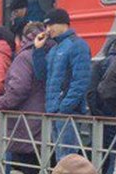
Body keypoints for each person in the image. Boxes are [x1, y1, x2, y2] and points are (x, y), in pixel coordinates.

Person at [0, 22, 46, 174]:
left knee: (30, 165)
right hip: (46, 117)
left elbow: (18, 89)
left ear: (21, 39)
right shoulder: (51, 51)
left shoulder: (24, 57)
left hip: (28, 119)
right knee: (43, 165)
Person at [33, 8, 92, 161]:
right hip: (57, 110)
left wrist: (64, 107)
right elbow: (42, 75)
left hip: (65, 112)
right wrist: (38, 50)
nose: (47, 30)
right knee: (62, 158)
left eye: (50, 25)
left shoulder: (77, 45)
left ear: (63, 24)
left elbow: (81, 80)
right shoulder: (55, 48)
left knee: (67, 158)